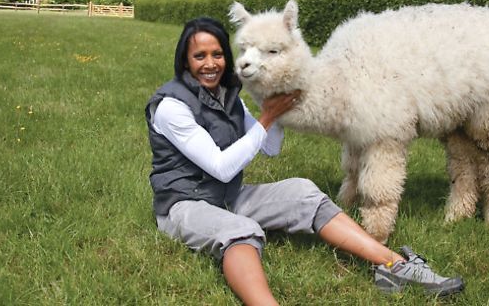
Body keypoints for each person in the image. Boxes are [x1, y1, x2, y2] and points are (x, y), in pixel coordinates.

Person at [145, 17, 464, 304]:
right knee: (241, 230)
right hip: (185, 205)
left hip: (227, 196)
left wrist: (276, 112)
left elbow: (269, 148)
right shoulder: (171, 107)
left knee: (303, 192)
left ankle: (394, 265)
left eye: (217, 55)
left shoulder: (228, 97)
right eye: (199, 56)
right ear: (185, 61)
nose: (210, 64)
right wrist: (269, 117)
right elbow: (221, 166)